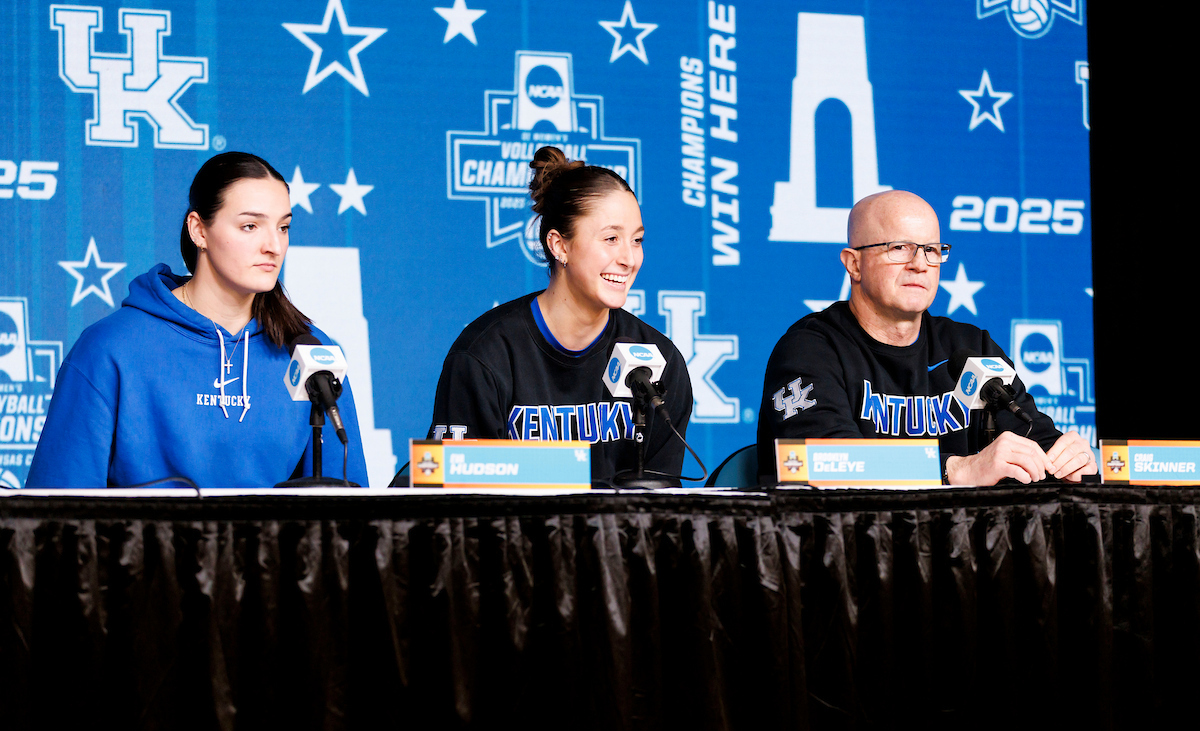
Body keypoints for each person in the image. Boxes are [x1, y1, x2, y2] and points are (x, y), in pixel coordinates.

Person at [27, 152, 369, 488]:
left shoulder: (313, 353)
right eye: (250, 226)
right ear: (198, 231)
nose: (274, 246)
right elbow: (56, 517)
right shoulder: (110, 349)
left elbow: (347, 520)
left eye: (283, 227)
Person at [756, 190, 1096, 486]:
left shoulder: (971, 348)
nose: (920, 264)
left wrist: (1066, 459)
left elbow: (1032, 436)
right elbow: (826, 462)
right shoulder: (809, 350)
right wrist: (953, 470)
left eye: (932, 250)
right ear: (854, 265)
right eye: (899, 247)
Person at [422, 146, 692, 485]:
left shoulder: (659, 359)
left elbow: (659, 506)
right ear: (559, 246)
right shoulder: (485, 354)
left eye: (636, 240)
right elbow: (452, 490)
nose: (629, 258)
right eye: (611, 238)